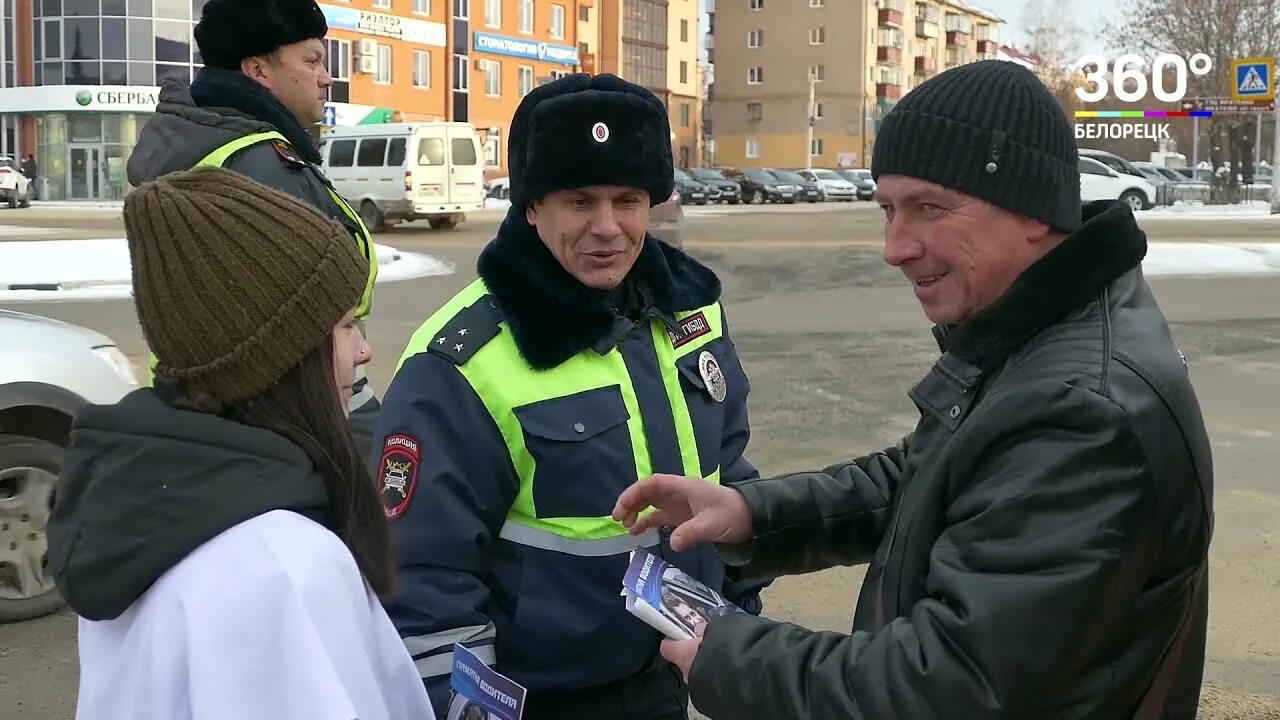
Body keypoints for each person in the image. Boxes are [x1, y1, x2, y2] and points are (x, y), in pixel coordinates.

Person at [613, 59, 1215, 720]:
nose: (894, 247)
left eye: (929, 208)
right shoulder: (1031, 334)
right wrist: (755, 514)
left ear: (1034, 210)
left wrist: (732, 657)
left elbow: (945, 688)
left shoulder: (1083, 412)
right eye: (889, 210)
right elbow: (931, 476)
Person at [373, 73, 770, 720]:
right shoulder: (461, 364)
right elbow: (421, 580)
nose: (607, 227)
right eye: (580, 202)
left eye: (627, 200)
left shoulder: (690, 317)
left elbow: (731, 474)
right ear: (531, 207)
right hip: (542, 703)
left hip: (669, 684)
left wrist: (741, 617)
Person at [45, 167, 435, 720]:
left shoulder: (136, 512)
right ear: (279, 359)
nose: (364, 351)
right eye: (347, 327)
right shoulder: (279, 564)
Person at [124, 0, 381, 460]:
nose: (326, 76)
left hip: (205, 404)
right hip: (297, 408)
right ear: (259, 70)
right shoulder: (259, 164)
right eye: (311, 60)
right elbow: (296, 321)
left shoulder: (208, 143)